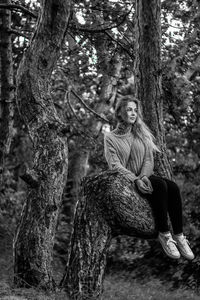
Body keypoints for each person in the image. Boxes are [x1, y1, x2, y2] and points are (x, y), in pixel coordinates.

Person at [104, 95, 194, 260]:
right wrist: (135, 179)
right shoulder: (110, 138)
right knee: (160, 185)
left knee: (172, 187)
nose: (133, 113)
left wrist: (144, 176)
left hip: (144, 177)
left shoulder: (141, 133)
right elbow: (115, 165)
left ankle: (179, 236)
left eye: (135, 111)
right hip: (126, 181)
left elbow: (148, 159)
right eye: (129, 110)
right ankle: (165, 235)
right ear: (119, 113)